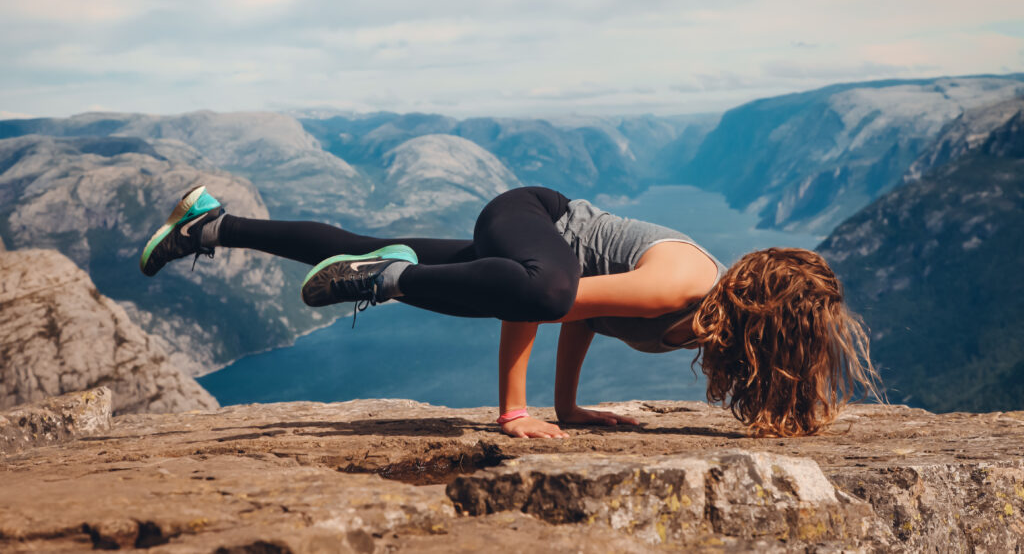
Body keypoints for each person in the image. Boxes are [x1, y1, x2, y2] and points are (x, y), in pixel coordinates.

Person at [141, 184, 882, 439]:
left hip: (535, 256)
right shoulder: (681, 286)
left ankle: (207, 223)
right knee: (544, 288)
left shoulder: (700, 312)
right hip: (534, 217)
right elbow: (541, 303)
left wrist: (570, 410)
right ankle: (391, 279)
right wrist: (514, 410)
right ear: (772, 326)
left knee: (358, 244)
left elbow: (580, 316)